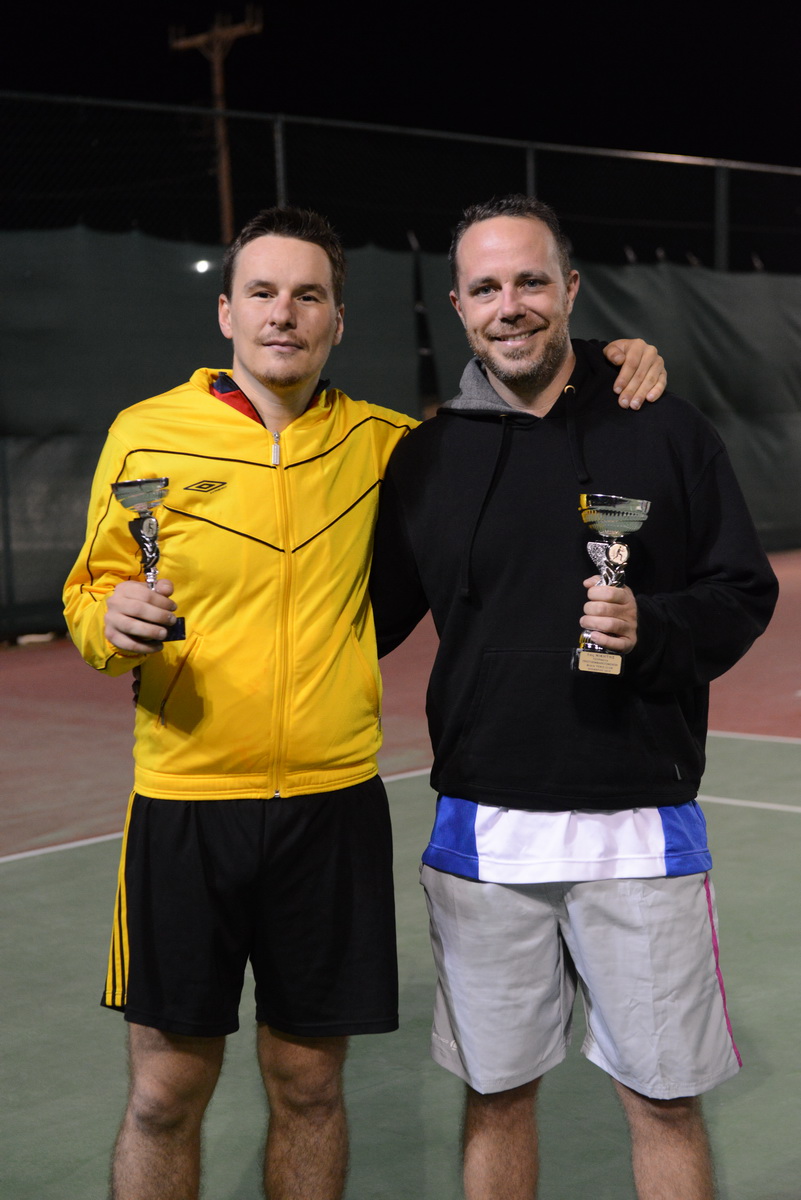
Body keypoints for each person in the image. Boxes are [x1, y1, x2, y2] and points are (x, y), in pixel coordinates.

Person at [63, 204, 667, 1200]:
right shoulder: (145, 434)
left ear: (338, 320)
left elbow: (520, 388)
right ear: (226, 312)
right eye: (262, 293)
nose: (283, 315)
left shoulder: (391, 446)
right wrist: (107, 620)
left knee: (308, 1086)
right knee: (165, 1092)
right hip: (185, 804)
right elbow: (90, 592)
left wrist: (608, 356)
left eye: (309, 296)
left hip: (332, 806)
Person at [369, 195, 778, 1200]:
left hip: (636, 824)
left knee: (664, 1103)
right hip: (483, 828)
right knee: (496, 1097)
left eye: (530, 281)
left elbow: (741, 591)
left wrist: (655, 629)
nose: (509, 305)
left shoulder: (664, 428)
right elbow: (363, 619)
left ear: (571, 289)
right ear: (458, 307)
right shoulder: (424, 458)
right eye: (485, 287)